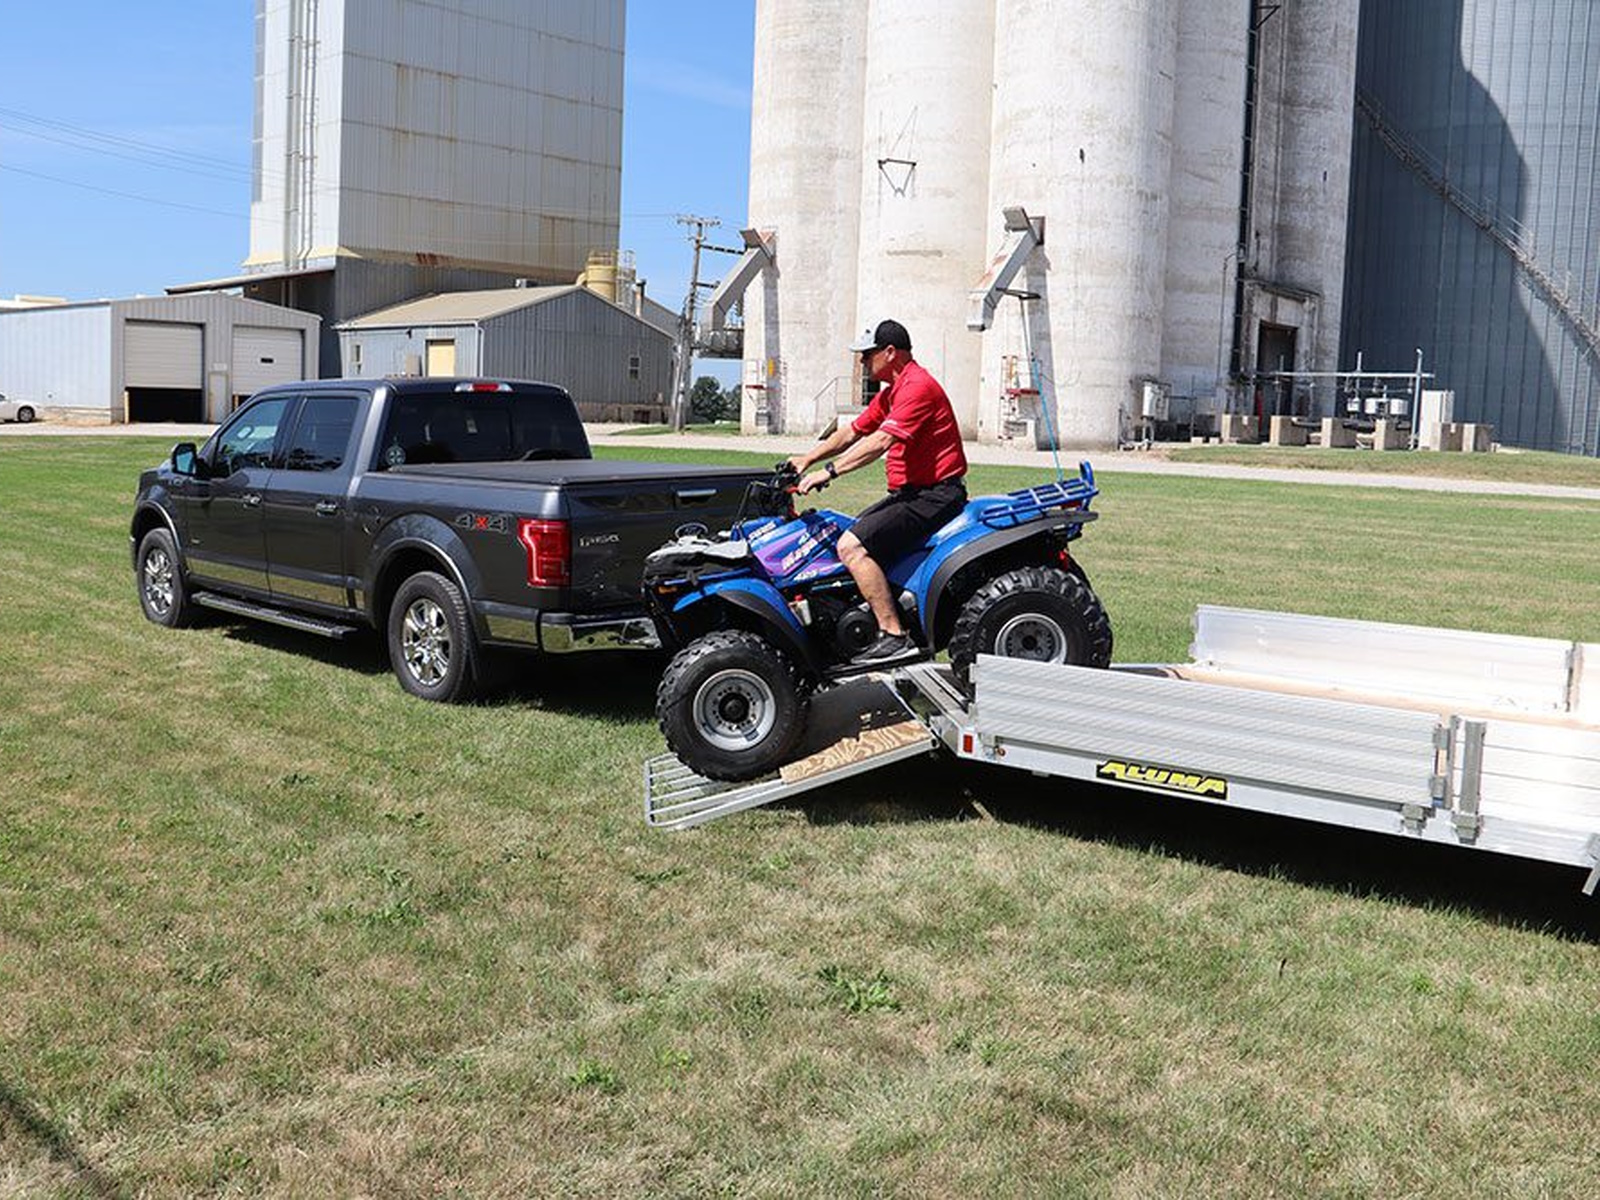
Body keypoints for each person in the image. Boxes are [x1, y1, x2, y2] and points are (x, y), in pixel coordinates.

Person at [788, 318, 969, 663]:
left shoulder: (917, 387)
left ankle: (894, 635)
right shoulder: (892, 393)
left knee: (852, 546)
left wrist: (829, 471)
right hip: (913, 494)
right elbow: (852, 432)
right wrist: (806, 458)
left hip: (934, 495)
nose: (861, 362)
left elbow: (880, 441)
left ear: (889, 352)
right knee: (844, 531)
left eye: (866, 354)